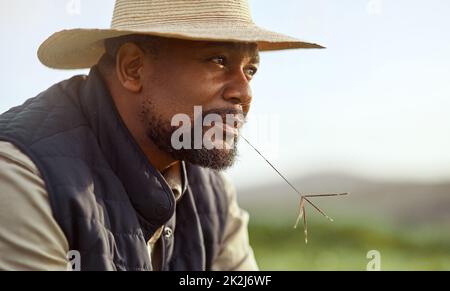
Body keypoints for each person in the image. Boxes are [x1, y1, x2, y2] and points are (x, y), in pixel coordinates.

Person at [0, 0, 322, 271]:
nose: (244, 92)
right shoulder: (24, 178)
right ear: (133, 68)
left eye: (250, 70)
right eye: (219, 60)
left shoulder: (213, 196)